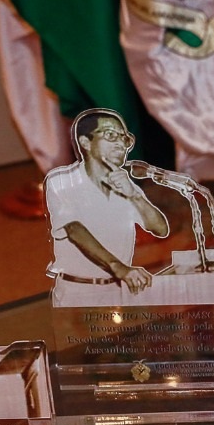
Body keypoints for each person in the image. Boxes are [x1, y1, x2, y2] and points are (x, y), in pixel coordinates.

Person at [45, 109, 170, 306]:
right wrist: (118, 267)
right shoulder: (61, 182)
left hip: (121, 290)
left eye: (124, 138)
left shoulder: (125, 184)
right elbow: (74, 229)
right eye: (111, 135)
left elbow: (160, 229)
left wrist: (134, 196)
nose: (120, 144)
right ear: (85, 142)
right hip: (78, 292)